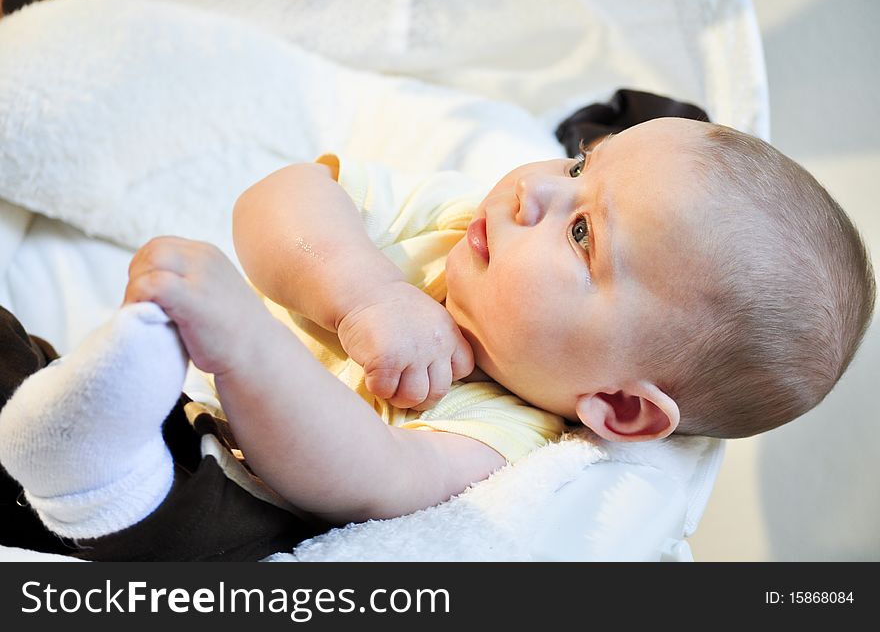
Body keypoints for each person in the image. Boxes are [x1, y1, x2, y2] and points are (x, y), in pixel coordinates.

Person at [0, 117, 874, 560]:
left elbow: (365, 480)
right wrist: (365, 291)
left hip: (222, 491)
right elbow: (282, 198)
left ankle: (89, 458)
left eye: (582, 236)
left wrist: (245, 344)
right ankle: (66, 417)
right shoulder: (462, 225)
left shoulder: (506, 439)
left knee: (207, 539)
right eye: (580, 166)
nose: (536, 192)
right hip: (180, 388)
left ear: (617, 405)